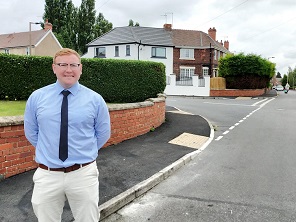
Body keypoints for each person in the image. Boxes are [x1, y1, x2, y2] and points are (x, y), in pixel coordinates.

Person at [24, 48, 111, 222]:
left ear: (81, 68)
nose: (68, 70)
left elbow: (103, 133)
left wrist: (84, 152)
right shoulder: (37, 97)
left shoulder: (95, 99)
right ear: (54, 68)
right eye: (62, 65)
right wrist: (49, 150)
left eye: (73, 65)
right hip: (48, 174)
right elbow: (32, 132)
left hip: (83, 173)